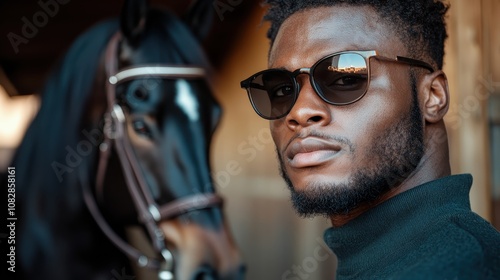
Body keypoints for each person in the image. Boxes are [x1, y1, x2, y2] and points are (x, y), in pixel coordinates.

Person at [240, 0, 500, 279]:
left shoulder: (458, 269)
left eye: (344, 78)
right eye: (281, 90)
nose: (299, 112)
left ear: (433, 96)